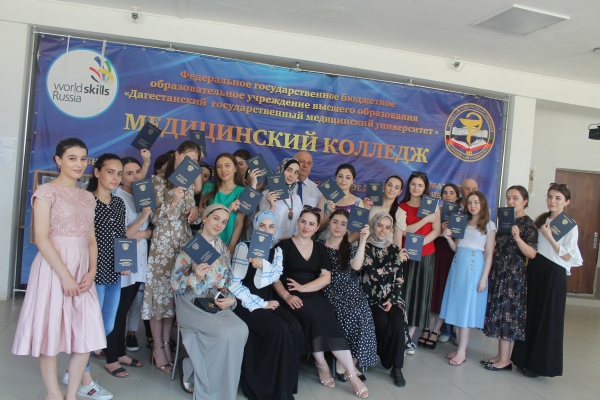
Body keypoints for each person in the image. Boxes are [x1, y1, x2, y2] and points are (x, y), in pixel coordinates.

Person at [12, 138, 107, 400]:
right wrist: (65, 275)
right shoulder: (46, 192)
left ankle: (72, 393)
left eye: (83, 158)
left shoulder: (87, 197)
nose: (79, 164)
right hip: (53, 269)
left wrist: (91, 271)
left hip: (82, 269)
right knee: (50, 332)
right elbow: (41, 238)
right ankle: (53, 395)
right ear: (58, 160)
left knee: (87, 334)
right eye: (72, 158)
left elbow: (91, 239)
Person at [274, 206, 369, 398]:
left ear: (317, 227)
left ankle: (351, 374)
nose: (306, 227)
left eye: (311, 224)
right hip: (290, 295)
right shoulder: (283, 246)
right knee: (312, 316)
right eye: (303, 222)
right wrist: (287, 296)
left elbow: (326, 278)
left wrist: (304, 288)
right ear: (297, 222)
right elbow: (274, 278)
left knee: (327, 317)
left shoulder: (319, 248)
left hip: (312, 292)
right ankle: (322, 363)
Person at [171, 203, 248, 400]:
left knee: (241, 329)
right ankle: (204, 384)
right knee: (223, 333)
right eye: (216, 219)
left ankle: (222, 386)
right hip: (191, 302)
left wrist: (230, 300)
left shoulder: (222, 248)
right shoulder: (189, 246)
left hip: (214, 301)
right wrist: (195, 276)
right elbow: (175, 284)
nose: (219, 225)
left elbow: (228, 280)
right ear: (204, 218)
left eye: (224, 222)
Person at [230, 211, 304, 400]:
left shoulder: (276, 251)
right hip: (246, 302)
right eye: (262, 225)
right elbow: (234, 284)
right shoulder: (243, 247)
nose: (266, 230)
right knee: (277, 329)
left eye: (271, 227)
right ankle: (263, 389)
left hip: (268, 298)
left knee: (295, 327)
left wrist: (263, 265)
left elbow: (275, 276)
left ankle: (283, 388)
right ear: (255, 226)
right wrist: (260, 304)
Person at [512, 183, 583, 378]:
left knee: (547, 318)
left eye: (558, 198)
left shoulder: (569, 225)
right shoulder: (542, 219)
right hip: (536, 269)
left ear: (566, 202)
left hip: (554, 273)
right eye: (550, 197)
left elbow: (567, 256)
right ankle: (523, 359)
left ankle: (539, 366)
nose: (553, 201)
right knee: (531, 314)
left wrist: (549, 237)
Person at [143, 141, 202, 373]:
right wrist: (174, 200)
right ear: (176, 155)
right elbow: (154, 219)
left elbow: (193, 218)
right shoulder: (157, 181)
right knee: (159, 297)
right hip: (163, 244)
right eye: (187, 157)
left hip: (183, 243)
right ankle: (157, 348)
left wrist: (195, 211)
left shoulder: (189, 183)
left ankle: (167, 345)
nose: (191, 163)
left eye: (195, 161)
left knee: (173, 297)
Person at [482, 185, 537, 371]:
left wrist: (518, 238)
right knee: (499, 312)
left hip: (513, 274)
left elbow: (531, 253)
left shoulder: (528, 224)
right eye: (508, 198)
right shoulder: (506, 220)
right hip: (499, 271)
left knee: (507, 314)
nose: (511, 202)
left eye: (515, 198)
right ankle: (500, 355)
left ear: (525, 201)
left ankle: (505, 360)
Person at [108, 156, 155, 377]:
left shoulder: (139, 195)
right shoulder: (118, 197)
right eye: (129, 173)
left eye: (138, 171)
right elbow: (124, 235)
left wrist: (144, 232)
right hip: (125, 263)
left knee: (124, 311)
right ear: (120, 177)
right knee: (117, 313)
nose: (136, 176)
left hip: (138, 262)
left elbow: (141, 231)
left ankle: (120, 353)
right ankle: (111, 358)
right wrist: (144, 223)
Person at [439, 191, 496, 366]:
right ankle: (459, 349)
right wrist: (448, 238)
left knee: (466, 310)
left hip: (474, 268)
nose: (472, 206)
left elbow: (489, 253)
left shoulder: (489, 225)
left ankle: (462, 351)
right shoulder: (462, 222)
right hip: (458, 266)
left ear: (482, 204)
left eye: (476, 202)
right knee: (457, 308)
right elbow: (457, 247)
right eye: (470, 202)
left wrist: (484, 278)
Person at [321, 209, 378, 380]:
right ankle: (342, 363)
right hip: (330, 290)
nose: (338, 227)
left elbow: (356, 266)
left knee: (363, 311)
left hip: (350, 289)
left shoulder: (349, 248)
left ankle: (350, 363)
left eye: (343, 224)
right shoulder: (319, 246)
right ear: (329, 223)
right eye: (335, 222)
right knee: (348, 313)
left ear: (348, 227)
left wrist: (363, 240)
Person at [361, 212, 410, 387]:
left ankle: (397, 368)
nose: (383, 230)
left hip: (391, 297)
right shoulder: (365, 247)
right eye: (379, 225)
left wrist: (393, 299)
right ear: (373, 225)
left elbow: (399, 280)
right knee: (381, 320)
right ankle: (387, 357)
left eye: (388, 227)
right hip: (371, 297)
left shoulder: (395, 249)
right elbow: (374, 275)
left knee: (397, 319)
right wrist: (396, 262)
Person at [399, 172, 441, 350]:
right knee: (405, 293)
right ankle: (400, 333)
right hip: (406, 254)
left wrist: (420, 243)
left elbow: (436, 231)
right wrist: (425, 220)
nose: (416, 188)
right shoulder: (401, 206)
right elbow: (403, 230)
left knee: (421, 293)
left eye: (420, 185)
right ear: (409, 186)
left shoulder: (433, 206)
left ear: (425, 188)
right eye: (413, 184)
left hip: (426, 254)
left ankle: (409, 336)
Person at [425, 183, 459, 348]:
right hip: (435, 251)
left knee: (444, 290)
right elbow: (429, 232)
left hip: (450, 254)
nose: (448, 195)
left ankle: (437, 330)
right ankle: (425, 327)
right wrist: (440, 230)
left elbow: (460, 241)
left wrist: (450, 232)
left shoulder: (461, 214)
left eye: (451, 193)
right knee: (431, 289)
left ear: (457, 196)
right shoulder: (436, 210)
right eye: (445, 193)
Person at [201, 153, 254, 254]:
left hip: (226, 244)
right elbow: (202, 216)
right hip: (205, 241)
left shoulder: (242, 192)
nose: (223, 170)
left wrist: (231, 248)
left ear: (235, 168)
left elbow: (238, 223)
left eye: (227, 165)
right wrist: (228, 209)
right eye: (219, 166)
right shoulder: (208, 188)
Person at [259, 158, 302, 244]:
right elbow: (260, 223)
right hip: (270, 245)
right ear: (281, 170)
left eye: (296, 172)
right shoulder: (267, 194)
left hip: (290, 245)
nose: (292, 175)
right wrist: (272, 207)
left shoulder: (296, 198)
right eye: (289, 170)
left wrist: (294, 237)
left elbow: (299, 223)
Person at [364, 175, 407, 248]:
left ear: (400, 192)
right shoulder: (370, 204)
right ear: (384, 186)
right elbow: (359, 226)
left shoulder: (400, 213)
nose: (392, 189)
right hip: (365, 247)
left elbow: (397, 241)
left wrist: (397, 254)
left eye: (396, 188)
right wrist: (364, 209)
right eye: (389, 185)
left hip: (386, 251)